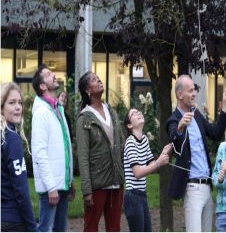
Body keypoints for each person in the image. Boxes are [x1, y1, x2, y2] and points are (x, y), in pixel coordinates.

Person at [166, 77, 226, 233]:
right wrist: (180, 128)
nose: (195, 93)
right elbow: (175, 146)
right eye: (190, 90)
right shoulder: (173, 120)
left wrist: (225, 109)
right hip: (192, 188)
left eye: (194, 89)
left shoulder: (196, 115)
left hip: (208, 188)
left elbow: (216, 133)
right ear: (180, 94)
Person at [76, 71, 125, 233]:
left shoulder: (112, 112)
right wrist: (87, 190)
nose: (99, 80)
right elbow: (83, 156)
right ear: (87, 91)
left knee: (114, 228)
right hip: (97, 184)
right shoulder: (84, 119)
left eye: (98, 78)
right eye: (94, 79)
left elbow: (121, 144)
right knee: (91, 227)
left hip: (116, 181)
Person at [31, 65, 75, 233]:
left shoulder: (57, 108)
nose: (54, 75)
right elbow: (39, 153)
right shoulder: (42, 112)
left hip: (61, 184)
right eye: (49, 75)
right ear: (42, 86)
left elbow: (65, 146)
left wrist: (69, 180)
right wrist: (51, 187)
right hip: (51, 187)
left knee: (60, 230)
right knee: (45, 230)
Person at [122, 108, 171, 233]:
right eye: (134, 113)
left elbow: (152, 166)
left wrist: (163, 154)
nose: (138, 113)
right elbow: (137, 173)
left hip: (142, 195)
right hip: (132, 196)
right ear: (129, 125)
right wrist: (159, 162)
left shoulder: (144, 140)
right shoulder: (130, 142)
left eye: (139, 112)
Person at [1, 82, 37, 233]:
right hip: (13, 221)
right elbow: (21, 189)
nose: (18, 107)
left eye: (20, 103)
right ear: (1, 107)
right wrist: (32, 225)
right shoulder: (11, 138)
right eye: (12, 103)